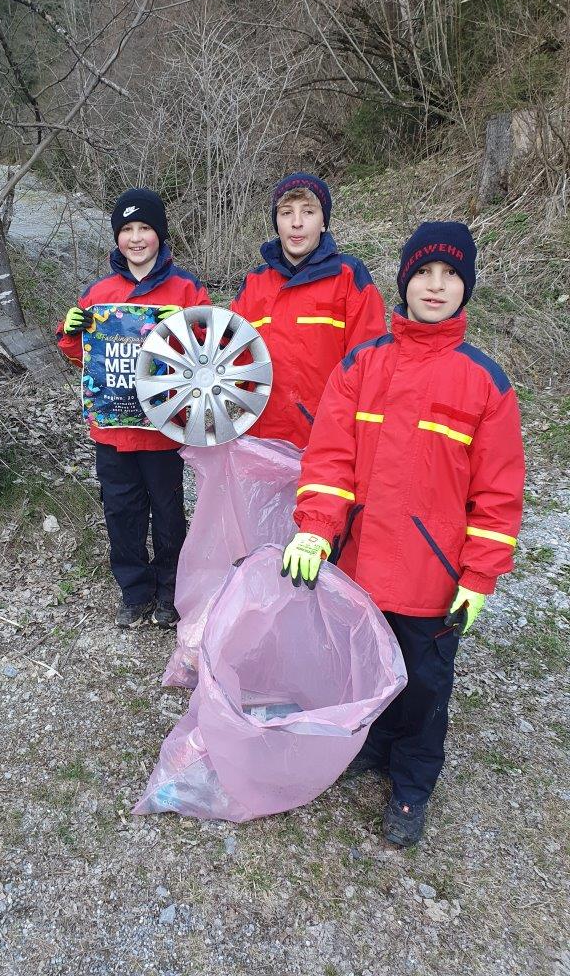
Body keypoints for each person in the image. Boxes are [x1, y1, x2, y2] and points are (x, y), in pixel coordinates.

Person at [281, 222, 525, 846]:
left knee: (423, 687)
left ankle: (413, 784)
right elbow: (329, 459)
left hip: (432, 579)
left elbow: (498, 494)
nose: (436, 286)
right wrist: (315, 530)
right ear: (405, 282)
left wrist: (479, 575)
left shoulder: (486, 383)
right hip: (361, 564)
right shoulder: (362, 366)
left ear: (465, 287)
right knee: (365, 665)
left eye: (449, 276)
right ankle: (374, 744)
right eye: (424, 274)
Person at [57, 188, 211, 628]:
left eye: (145, 228)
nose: (137, 238)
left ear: (160, 235)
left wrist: (183, 327)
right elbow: (82, 358)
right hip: (111, 429)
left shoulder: (185, 289)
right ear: (117, 238)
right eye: (127, 229)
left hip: (164, 428)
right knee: (121, 512)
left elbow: (211, 352)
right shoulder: (99, 292)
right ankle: (135, 591)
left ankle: (170, 591)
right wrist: (71, 334)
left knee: (167, 513)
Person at [230, 172, 386, 448]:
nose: (297, 222)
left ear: (324, 222)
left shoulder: (349, 277)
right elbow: (232, 358)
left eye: (309, 212)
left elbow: (369, 363)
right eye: (286, 213)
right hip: (262, 438)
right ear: (276, 223)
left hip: (327, 441)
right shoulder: (255, 284)